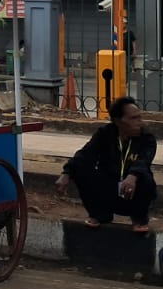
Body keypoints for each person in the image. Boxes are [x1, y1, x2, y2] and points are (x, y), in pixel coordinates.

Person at [55, 97, 156, 233]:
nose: (140, 122)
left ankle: (139, 218)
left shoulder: (147, 137)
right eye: (133, 118)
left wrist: (133, 176)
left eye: (139, 117)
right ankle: (99, 215)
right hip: (109, 189)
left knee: (146, 179)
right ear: (118, 121)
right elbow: (85, 154)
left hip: (132, 193)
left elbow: (144, 161)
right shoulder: (104, 134)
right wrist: (66, 173)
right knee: (81, 170)